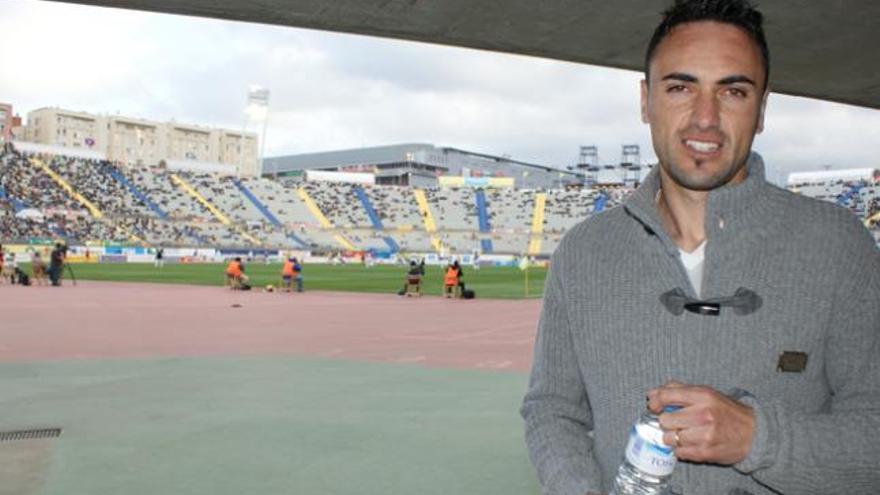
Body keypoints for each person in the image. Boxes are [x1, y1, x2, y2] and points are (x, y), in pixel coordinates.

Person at [520, 2, 880, 495]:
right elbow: (551, 410)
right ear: (646, 101)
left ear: (762, 109)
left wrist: (758, 437)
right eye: (680, 87)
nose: (705, 119)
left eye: (733, 90)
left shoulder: (841, 247)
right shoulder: (582, 254)